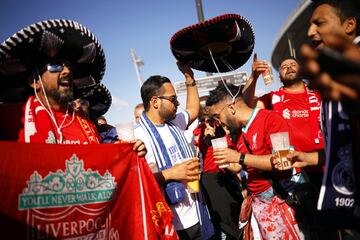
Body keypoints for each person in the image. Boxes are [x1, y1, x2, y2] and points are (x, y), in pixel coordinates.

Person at [0, 19, 145, 156]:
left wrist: (127, 153)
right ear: (34, 81)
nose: (67, 71)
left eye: (69, 67)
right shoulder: (12, 117)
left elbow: (99, 166)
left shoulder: (86, 124)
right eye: (56, 65)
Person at [287, 0, 360, 233]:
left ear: (349, 25)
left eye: (320, 23)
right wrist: (310, 158)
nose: (310, 32)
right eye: (310, 25)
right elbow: (344, 148)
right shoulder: (335, 75)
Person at [206, 83, 304, 239]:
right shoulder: (239, 132)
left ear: (231, 108)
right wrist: (234, 165)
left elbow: (284, 161)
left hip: (280, 199)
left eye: (217, 116)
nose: (217, 122)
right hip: (259, 203)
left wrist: (239, 157)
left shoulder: (270, 118)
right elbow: (244, 165)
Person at [134, 62, 214, 239]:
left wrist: (189, 79)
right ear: (155, 102)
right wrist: (171, 174)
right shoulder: (137, 137)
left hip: (199, 214)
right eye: (173, 99)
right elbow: (137, 183)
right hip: (171, 225)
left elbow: (193, 109)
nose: (177, 103)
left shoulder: (175, 122)